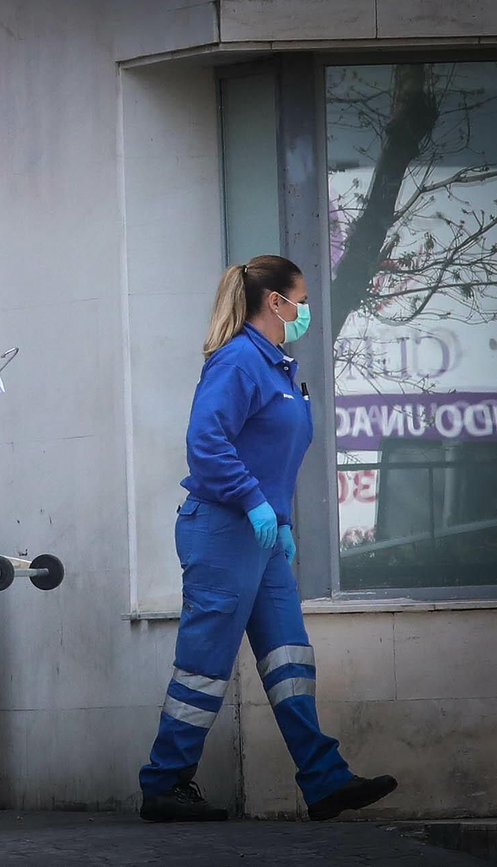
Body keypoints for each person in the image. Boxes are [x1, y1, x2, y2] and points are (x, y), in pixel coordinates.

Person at [138, 255, 397, 823]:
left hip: (260, 536)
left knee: (289, 655)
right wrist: (255, 501)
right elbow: (206, 442)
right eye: (300, 299)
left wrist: (275, 516)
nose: (305, 310)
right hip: (223, 530)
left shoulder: (277, 366)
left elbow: (267, 450)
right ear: (275, 302)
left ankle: (324, 779)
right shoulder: (238, 362)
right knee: (204, 663)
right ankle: (164, 783)